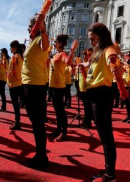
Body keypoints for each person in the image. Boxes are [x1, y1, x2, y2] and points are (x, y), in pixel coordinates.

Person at [79, 23, 124, 182]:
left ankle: (110, 175)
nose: (90, 41)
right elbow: (90, 64)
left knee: (106, 137)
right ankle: (107, 170)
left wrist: (117, 68)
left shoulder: (108, 49)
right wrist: (83, 64)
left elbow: (114, 60)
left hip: (101, 95)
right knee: (103, 135)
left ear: (101, 36)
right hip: (94, 94)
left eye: (93, 38)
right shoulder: (97, 52)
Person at [22, 14, 50, 169]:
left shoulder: (41, 40)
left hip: (35, 85)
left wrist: (43, 29)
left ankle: (41, 157)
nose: (29, 28)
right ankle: (40, 154)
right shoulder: (31, 42)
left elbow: (46, 46)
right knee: (35, 122)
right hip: (28, 84)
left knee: (38, 122)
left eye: (32, 25)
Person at [49, 34, 74, 142]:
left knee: (60, 110)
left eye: (55, 42)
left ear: (60, 43)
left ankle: (64, 132)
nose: (54, 44)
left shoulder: (62, 54)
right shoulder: (56, 55)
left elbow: (68, 62)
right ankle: (58, 129)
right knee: (57, 110)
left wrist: (72, 50)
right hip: (53, 85)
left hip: (59, 85)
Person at [7, 40, 24, 130]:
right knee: (17, 104)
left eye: (11, 47)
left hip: (14, 84)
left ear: (15, 48)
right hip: (16, 83)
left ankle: (17, 122)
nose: (10, 49)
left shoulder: (16, 56)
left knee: (15, 104)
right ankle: (17, 121)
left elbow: (12, 70)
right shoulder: (18, 56)